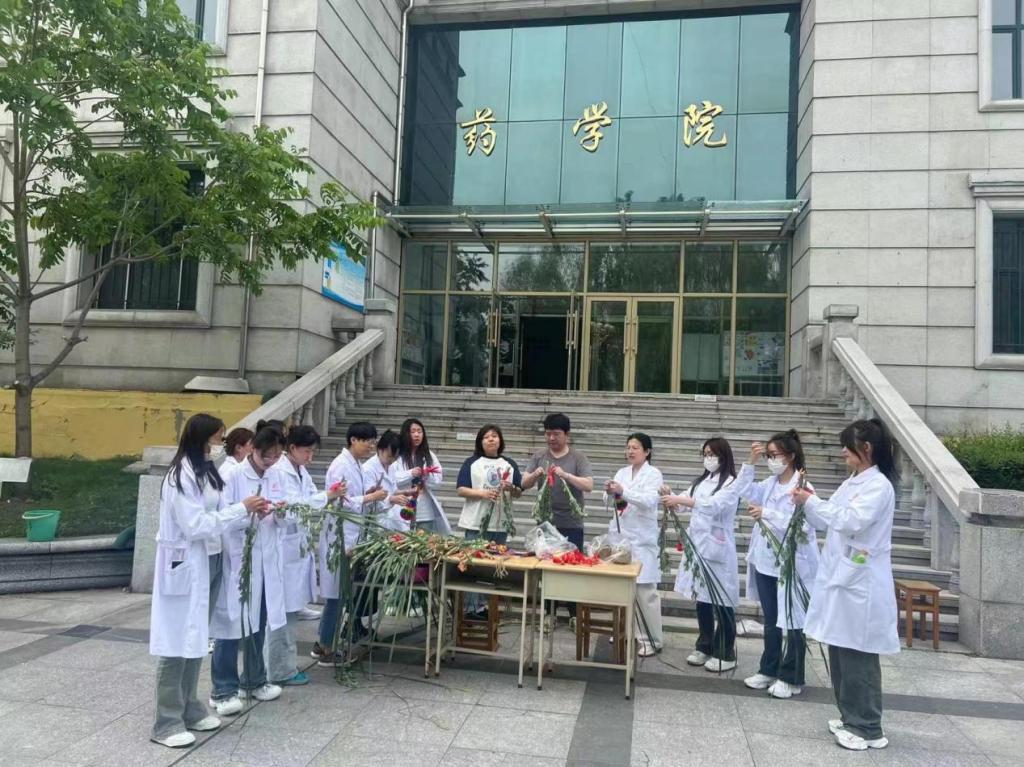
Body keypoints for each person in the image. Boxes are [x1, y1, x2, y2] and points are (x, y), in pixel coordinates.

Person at [149, 414, 268, 748]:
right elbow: (195, 525)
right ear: (201, 438)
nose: (220, 444)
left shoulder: (206, 470)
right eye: (217, 438)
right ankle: (166, 721)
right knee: (176, 641)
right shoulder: (180, 476)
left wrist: (250, 510)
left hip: (209, 560)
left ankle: (190, 708)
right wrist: (240, 509)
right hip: (184, 564)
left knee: (196, 637)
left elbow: (219, 513)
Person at [792, 418, 899, 752]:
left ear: (866, 448)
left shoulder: (878, 486)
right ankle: (850, 715)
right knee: (840, 650)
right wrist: (809, 500)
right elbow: (829, 515)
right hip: (844, 580)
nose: (843, 452)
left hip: (861, 584)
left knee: (858, 657)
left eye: (847, 447)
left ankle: (868, 726)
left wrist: (811, 502)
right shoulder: (854, 481)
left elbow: (851, 520)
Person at [208, 426, 289, 716]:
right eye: (267, 456)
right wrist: (248, 511)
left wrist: (280, 512)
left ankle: (254, 680)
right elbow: (222, 519)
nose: (272, 461)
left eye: (277, 456)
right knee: (232, 624)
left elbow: (287, 512)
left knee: (259, 620)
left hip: (267, 561)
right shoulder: (232, 476)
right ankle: (223, 689)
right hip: (240, 559)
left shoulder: (277, 474)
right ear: (253, 448)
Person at [662, 438, 757, 672]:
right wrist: (670, 495)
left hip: (718, 547)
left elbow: (713, 505)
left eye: (713, 454)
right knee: (702, 599)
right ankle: (704, 645)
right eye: (705, 454)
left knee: (722, 600)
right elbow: (683, 504)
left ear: (723, 457)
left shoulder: (731, 482)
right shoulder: (701, 481)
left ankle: (725, 652)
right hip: (698, 547)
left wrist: (680, 499)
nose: (709, 459)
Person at [265, 425, 345, 686]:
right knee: (282, 614)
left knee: (290, 612)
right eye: (307, 451)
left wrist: (328, 496)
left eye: (313, 452)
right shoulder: (279, 471)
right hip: (283, 547)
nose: (310, 457)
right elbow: (293, 507)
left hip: (296, 547)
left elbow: (311, 497)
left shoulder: (300, 470)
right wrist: (328, 496)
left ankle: (283, 667)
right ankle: (280, 670)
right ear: (292, 448)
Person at [742, 430, 819, 699]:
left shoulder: (804, 486)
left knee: (794, 620)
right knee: (771, 619)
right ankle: (769, 668)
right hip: (766, 561)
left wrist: (768, 513)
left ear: (791, 456)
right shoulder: (770, 483)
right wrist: (750, 462)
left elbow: (804, 525)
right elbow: (745, 491)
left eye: (775, 455)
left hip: (792, 563)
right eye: (768, 455)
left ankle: (792, 676)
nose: (771, 460)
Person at [311, 422, 389, 665]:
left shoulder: (355, 465)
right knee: (336, 596)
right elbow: (341, 502)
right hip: (340, 537)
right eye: (367, 442)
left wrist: (370, 493)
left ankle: (324, 643)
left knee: (341, 595)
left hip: (352, 537)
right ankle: (325, 647)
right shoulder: (340, 465)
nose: (370, 447)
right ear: (353, 440)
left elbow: (355, 496)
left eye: (373, 442)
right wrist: (370, 496)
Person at [521, 413, 593, 627]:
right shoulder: (539, 456)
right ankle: (549, 613)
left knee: (572, 569)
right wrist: (535, 475)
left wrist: (566, 475)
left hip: (572, 522)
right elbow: (524, 483)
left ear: (566, 435)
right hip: (546, 524)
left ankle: (573, 614)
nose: (551, 438)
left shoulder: (578, 458)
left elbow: (589, 485)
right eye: (548, 434)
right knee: (547, 569)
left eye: (556, 434)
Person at [604, 432, 663, 657]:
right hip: (622, 537)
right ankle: (625, 630)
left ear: (647, 451)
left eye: (635, 447)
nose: (630, 451)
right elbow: (612, 499)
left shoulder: (654, 474)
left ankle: (651, 639)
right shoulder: (622, 472)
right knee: (622, 588)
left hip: (642, 538)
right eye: (628, 447)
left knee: (644, 591)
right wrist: (609, 492)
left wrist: (623, 491)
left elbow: (649, 501)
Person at [456, 424, 523, 616]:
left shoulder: (509, 464)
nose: (491, 439)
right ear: (480, 442)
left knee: (493, 567)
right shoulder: (472, 462)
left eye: (494, 436)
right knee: (473, 565)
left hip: (500, 524)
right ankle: (470, 608)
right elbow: (461, 489)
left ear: (500, 440)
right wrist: (483, 493)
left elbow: (519, 491)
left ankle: (485, 607)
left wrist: (511, 488)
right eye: (486, 437)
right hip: (476, 522)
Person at [393, 418, 451, 534]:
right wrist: (410, 473)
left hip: (424, 510)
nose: (417, 435)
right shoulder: (397, 455)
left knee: (425, 541)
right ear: (406, 434)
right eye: (413, 431)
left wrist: (427, 476)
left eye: (419, 431)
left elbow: (437, 481)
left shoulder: (429, 455)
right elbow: (391, 478)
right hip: (402, 507)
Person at [363, 429, 413, 531]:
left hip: (389, 518)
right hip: (374, 521)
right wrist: (391, 499)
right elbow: (368, 500)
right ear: (380, 449)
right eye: (390, 456)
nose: (392, 460)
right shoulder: (368, 469)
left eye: (395, 457)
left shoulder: (391, 467)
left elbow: (392, 490)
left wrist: (406, 492)